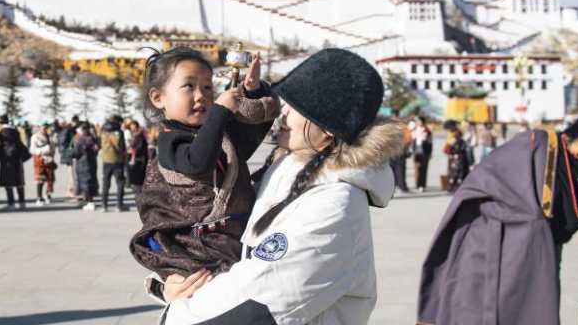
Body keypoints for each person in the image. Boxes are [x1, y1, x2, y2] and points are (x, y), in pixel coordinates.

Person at [144, 48, 403, 324]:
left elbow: (255, 301)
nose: (283, 111)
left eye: (295, 106)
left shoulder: (333, 207)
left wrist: (177, 315)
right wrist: (174, 283)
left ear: (328, 127)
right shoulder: (286, 168)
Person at [417, 106, 578, 325]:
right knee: (506, 311)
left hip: (549, 256)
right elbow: (488, 178)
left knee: (540, 313)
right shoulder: (539, 144)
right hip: (511, 249)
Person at [130, 47, 279, 279]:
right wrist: (219, 112)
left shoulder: (218, 135)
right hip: (196, 255)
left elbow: (252, 132)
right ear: (158, 98)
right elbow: (197, 163)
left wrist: (251, 92)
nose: (201, 95)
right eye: (189, 86)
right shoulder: (171, 139)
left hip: (231, 246)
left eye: (208, 87)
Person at [0, 114, 30, 211]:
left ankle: (11, 203)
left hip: (7, 160)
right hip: (18, 159)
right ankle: (22, 202)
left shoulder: (2, 133)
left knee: (8, 182)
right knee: (19, 181)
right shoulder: (15, 132)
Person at [100, 114, 127, 212]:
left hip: (106, 160)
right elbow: (122, 147)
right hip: (117, 160)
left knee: (106, 182)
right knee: (120, 182)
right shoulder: (119, 133)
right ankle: (119, 205)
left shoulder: (103, 132)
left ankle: (104, 205)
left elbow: (99, 144)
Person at [71, 122, 99, 209]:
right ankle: (88, 200)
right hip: (92, 162)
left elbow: (76, 152)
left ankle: (90, 202)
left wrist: (69, 153)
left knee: (86, 183)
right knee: (90, 181)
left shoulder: (82, 139)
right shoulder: (93, 138)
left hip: (83, 164)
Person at [30, 121, 57, 206]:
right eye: (43, 127)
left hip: (49, 160)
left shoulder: (49, 137)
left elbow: (53, 147)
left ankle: (47, 195)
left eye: (46, 127)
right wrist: (44, 149)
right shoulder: (35, 137)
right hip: (40, 160)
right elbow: (32, 150)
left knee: (50, 179)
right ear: (40, 128)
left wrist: (52, 151)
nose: (45, 129)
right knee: (40, 179)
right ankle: (39, 197)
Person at [443, 121, 469, 192]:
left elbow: (457, 145)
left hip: (457, 155)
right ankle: (452, 186)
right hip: (454, 155)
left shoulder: (457, 135)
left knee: (457, 171)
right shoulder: (452, 134)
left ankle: (455, 186)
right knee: (453, 171)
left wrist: (450, 148)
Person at [389, 110, 410, 192]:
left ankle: (395, 186)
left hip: (393, 150)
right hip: (399, 149)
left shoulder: (389, 124)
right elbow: (408, 138)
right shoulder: (402, 125)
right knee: (400, 169)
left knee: (392, 169)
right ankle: (401, 185)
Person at [58, 115, 79, 197]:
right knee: (72, 175)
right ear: (72, 122)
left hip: (73, 155)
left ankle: (72, 189)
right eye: (75, 122)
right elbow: (62, 145)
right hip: (69, 155)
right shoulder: (68, 130)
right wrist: (69, 153)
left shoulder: (73, 130)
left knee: (74, 175)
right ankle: (71, 190)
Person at [411, 116, 433, 192]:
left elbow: (430, 143)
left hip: (424, 151)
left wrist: (430, 153)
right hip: (416, 151)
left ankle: (422, 185)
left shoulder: (427, 131)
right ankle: (417, 184)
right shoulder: (414, 130)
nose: (418, 123)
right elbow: (411, 141)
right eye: (417, 121)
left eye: (420, 121)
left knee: (424, 168)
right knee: (417, 168)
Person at [127, 120, 149, 194]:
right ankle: (137, 187)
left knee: (139, 172)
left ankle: (139, 188)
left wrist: (133, 150)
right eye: (131, 127)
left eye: (133, 126)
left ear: (136, 126)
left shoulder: (140, 135)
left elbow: (140, 147)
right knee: (135, 172)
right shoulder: (135, 134)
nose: (132, 128)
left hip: (140, 158)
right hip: (136, 156)